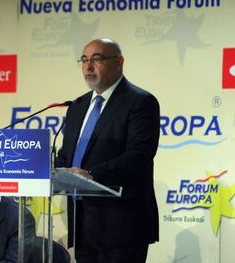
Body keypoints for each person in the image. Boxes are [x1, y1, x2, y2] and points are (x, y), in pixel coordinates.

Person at [55, 38, 160, 263]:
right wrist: (50, 170)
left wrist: (90, 175)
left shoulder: (140, 102)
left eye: (96, 59)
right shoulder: (77, 106)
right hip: (82, 225)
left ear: (119, 62)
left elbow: (139, 156)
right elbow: (67, 155)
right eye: (84, 60)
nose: (88, 67)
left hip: (122, 225)